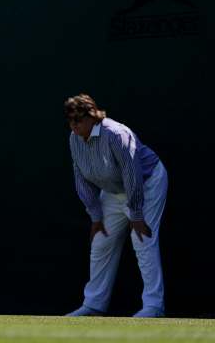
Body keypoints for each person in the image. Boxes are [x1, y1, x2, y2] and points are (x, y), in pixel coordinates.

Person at [64, 94, 168, 318]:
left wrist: (137, 215)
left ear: (92, 117)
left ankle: (153, 306)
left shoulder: (116, 134)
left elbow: (132, 175)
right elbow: (81, 178)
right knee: (101, 241)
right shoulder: (74, 139)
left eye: (78, 120)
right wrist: (96, 217)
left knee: (142, 239)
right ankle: (93, 304)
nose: (74, 126)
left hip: (147, 184)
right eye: (70, 121)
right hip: (113, 190)